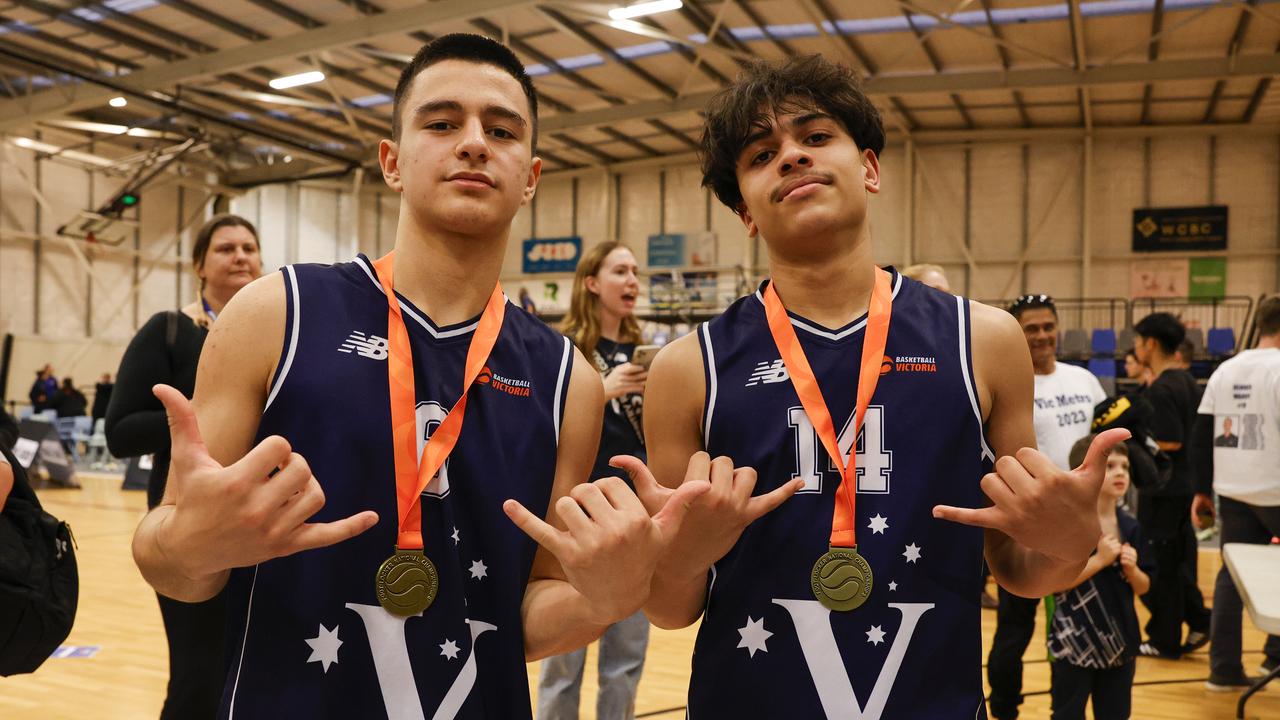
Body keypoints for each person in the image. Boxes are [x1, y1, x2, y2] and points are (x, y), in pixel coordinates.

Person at [130, 34, 707, 719]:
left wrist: (605, 599)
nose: (472, 142)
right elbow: (165, 558)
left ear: (531, 175)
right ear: (392, 162)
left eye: (500, 129)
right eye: (442, 123)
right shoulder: (276, 313)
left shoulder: (567, 381)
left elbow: (526, 613)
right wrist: (189, 544)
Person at [636, 54, 1126, 718]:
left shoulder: (983, 339)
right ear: (745, 213)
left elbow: (1017, 567)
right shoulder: (687, 368)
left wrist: (1071, 542)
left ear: (868, 168)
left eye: (814, 137)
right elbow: (671, 609)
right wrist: (677, 559)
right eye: (760, 155)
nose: (790, 158)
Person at [106, 212, 263, 720]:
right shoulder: (169, 330)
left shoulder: (276, 329)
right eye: (225, 248)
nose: (240, 256)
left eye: (248, 247)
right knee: (199, 678)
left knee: (257, 674)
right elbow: (121, 430)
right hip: (189, 522)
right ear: (198, 264)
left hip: (266, 521)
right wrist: (206, 412)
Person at [538, 242, 650, 720]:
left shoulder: (647, 349)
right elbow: (539, 425)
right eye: (620, 271)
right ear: (591, 283)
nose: (632, 281)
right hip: (577, 512)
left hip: (634, 514)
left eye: (636, 272)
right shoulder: (563, 350)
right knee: (564, 661)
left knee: (626, 657)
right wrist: (602, 391)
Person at [987, 293, 1109, 720]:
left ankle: (1067, 709)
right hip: (1027, 525)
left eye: (1047, 326)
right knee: (1014, 630)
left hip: (1079, 525)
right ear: (1016, 334)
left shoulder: (1084, 380)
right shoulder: (1009, 382)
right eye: (1031, 328)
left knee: (1074, 624)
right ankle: (1003, 708)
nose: (1041, 336)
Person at [1191, 295, 1280, 690]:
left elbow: (1201, 434)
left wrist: (1201, 490)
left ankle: (1223, 670)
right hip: (1276, 489)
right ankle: (1275, 660)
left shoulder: (1225, 370)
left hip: (1233, 490)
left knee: (1231, 575)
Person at [1047, 436, 1151, 720]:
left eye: (1125, 467)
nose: (1120, 473)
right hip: (1073, 644)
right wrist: (1100, 560)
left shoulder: (1130, 527)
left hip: (1120, 645)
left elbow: (1144, 587)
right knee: (1067, 713)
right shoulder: (1068, 525)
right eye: (1111, 465)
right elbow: (1055, 584)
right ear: (1085, 472)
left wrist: (1133, 570)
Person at [1132, 312, 1211, 659]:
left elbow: (1171, 441)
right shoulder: (1187, 381)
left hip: (1164, 489)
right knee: (1175, 562)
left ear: (1150, 343)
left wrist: (1134, 439)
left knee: (1161, 563)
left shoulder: (1164, 387)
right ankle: (1198, 621)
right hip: (1182, 487)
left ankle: (1165, 638)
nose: (1135, 349)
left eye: (1137, 342)